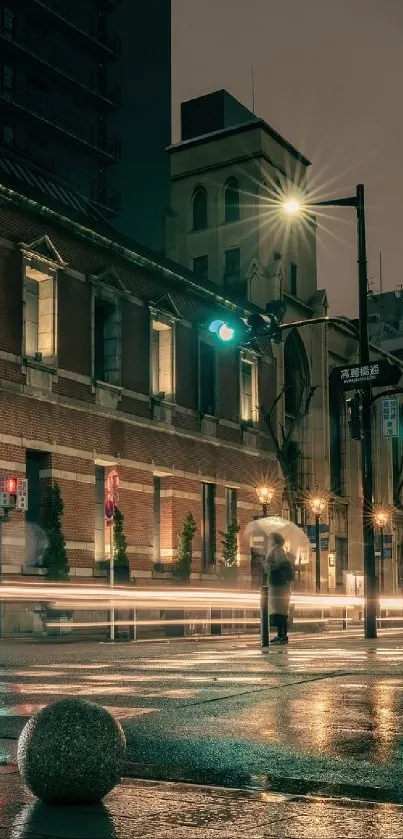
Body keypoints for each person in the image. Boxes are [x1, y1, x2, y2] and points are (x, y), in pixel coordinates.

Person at [265, 533, 295, 644]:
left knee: (280, 612)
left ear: (275, 540)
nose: (269, 540)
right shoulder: (276, 550)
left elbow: (280, 565)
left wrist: (268, 566)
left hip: (279, 587)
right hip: (278, 586)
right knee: (279, 612)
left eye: (271, 539)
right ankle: (280, 635)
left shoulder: (278, 551)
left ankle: (282, 635)